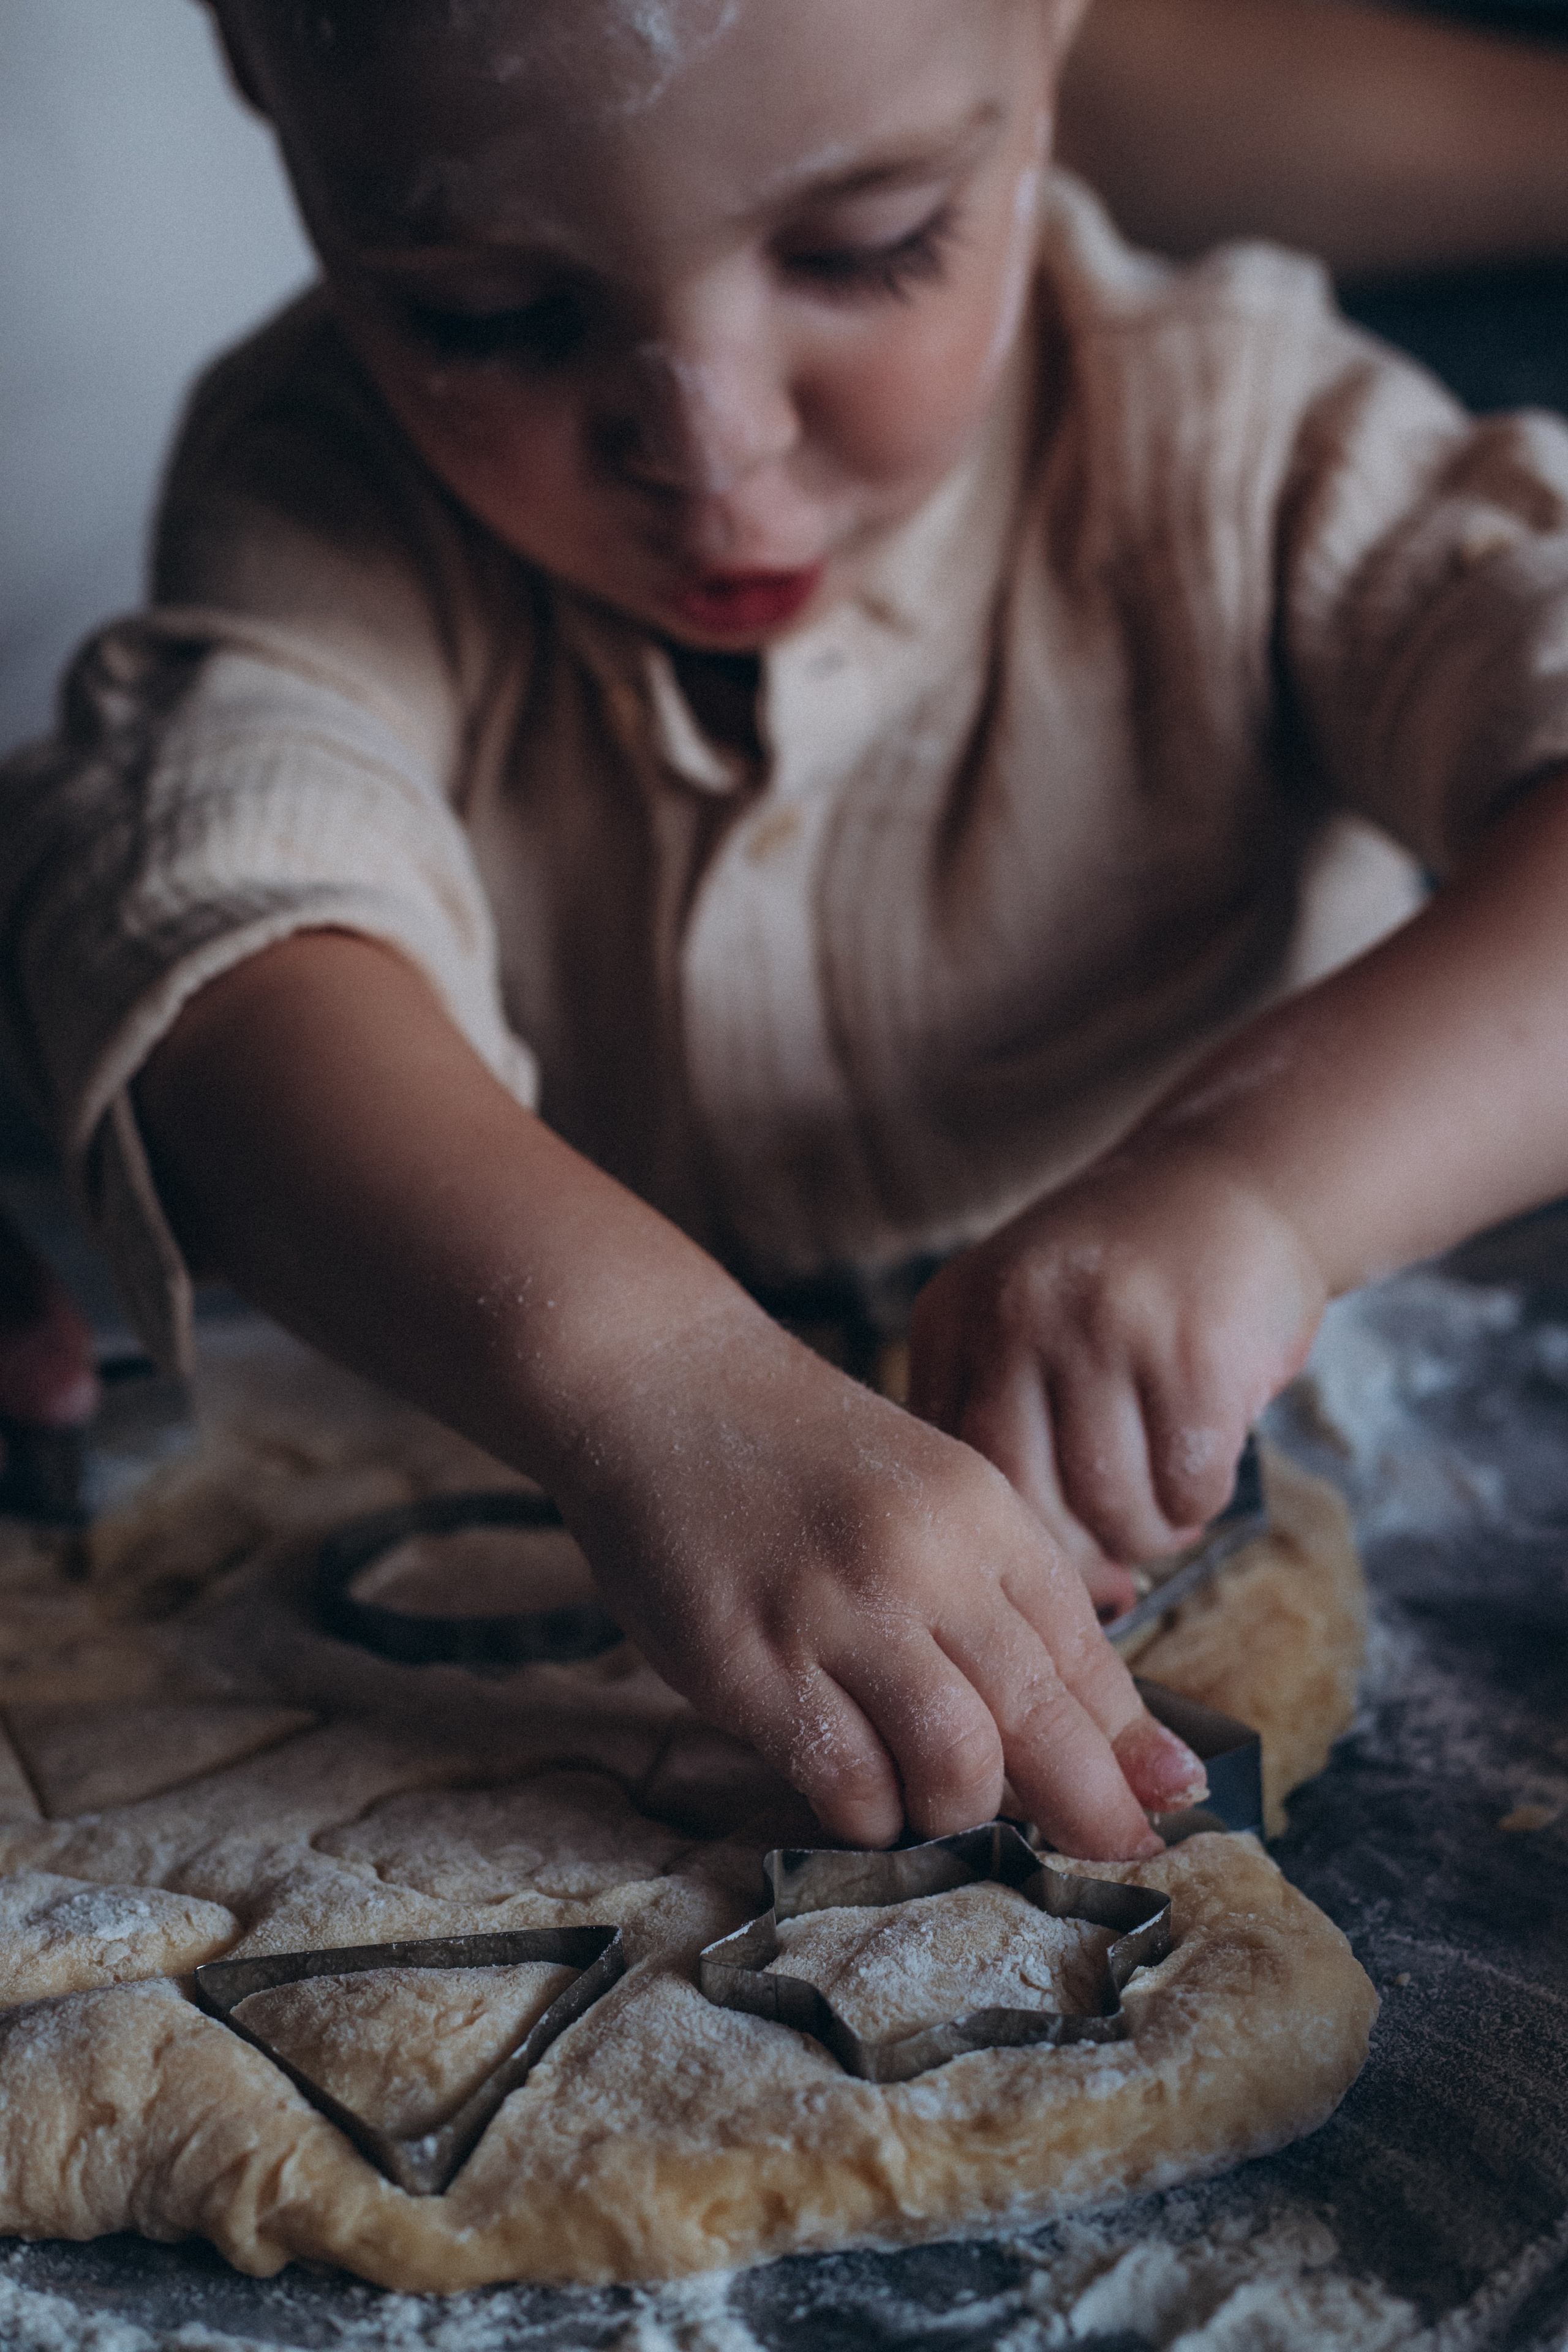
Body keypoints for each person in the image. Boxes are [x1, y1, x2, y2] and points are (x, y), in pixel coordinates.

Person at [5, 0, 1568, 1864]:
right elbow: (222, 963)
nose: (710, 440)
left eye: (867, 250)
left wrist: (1261, 1189)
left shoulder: (1237, 434)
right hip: (546, 1506)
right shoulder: (327, 491)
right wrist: (651, 1380)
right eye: (492, 316)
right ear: (264, 92)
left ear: (1055, 46)